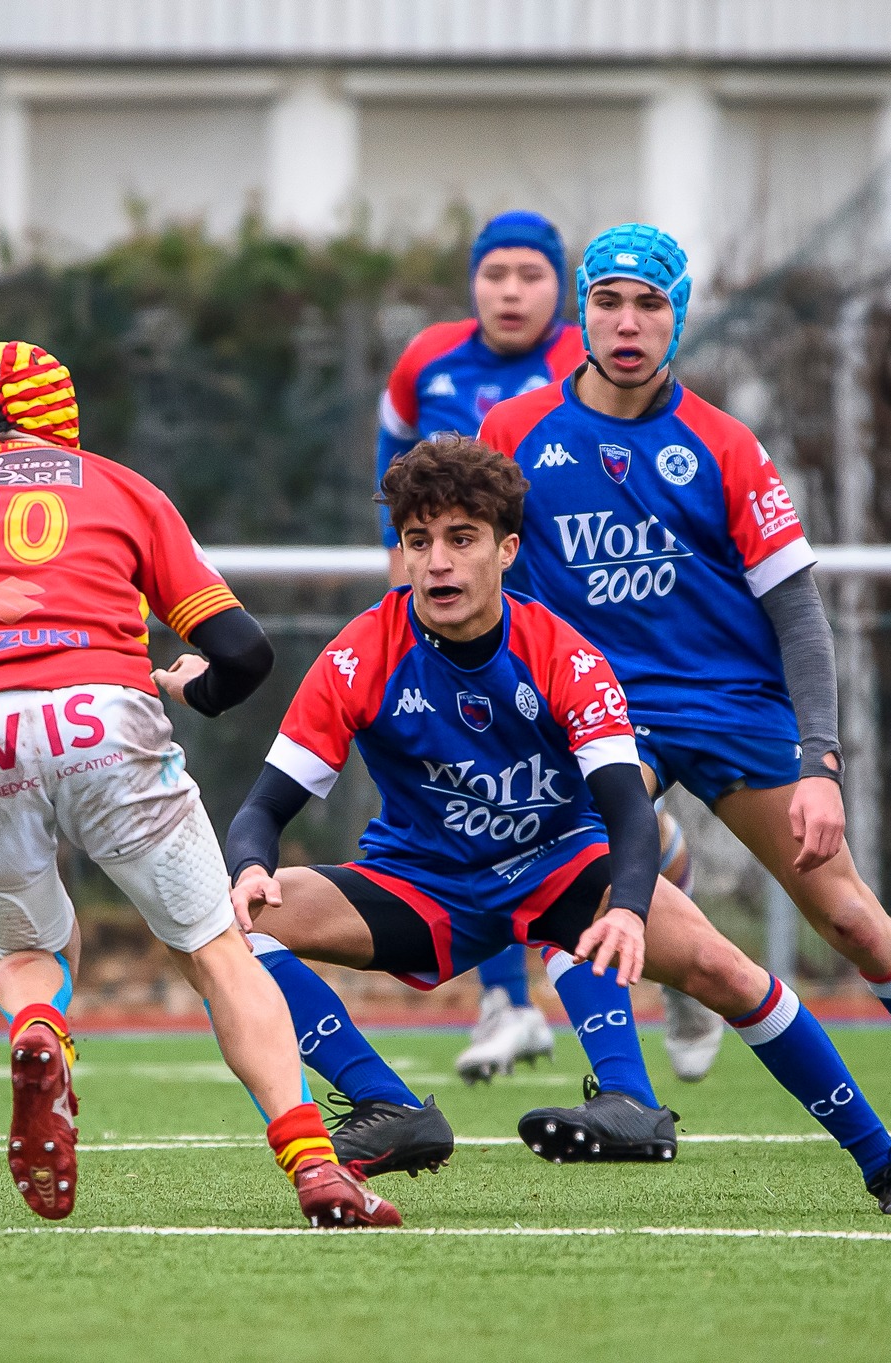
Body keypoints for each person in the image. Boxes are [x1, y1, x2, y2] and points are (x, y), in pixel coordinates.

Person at [477, 224, 891, 1161]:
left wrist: (821, 764)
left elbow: (800, 618)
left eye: (651, 304)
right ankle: (628, 1097)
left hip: (732, 706)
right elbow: (487, 583)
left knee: (849, 917)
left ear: (679, 317)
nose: (628, 323)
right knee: (586, 869)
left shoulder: (722, 445)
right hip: (604, 713)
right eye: (609, 301)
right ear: (583, 311)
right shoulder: (513, 435)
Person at [225, 437, 891, 1214]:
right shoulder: (361, 651)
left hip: (558, 865)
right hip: (421, 884)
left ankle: (889, 1166)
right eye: (418, 541)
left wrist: (631, 910)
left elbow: (628, 814)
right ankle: (390, 1106)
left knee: (728, 972)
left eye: (461, 539)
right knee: (224, 923)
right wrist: (251, 865)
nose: (436, 561)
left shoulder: (562, 654)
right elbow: (264, 808)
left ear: (507, 549)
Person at [0, 340, 399, 1228]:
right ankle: (318, 1168)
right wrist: (199, 691)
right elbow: (244, 650)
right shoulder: (120, 488)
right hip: (100, 715)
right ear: (64, 412)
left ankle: (37, 1030)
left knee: (33, 955)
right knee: (217, 953)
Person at [374, 209, 722, 1084]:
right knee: (483, 801)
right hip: (481, 637)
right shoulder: (426, 361)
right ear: (473, 283)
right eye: (496, 275)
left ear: (557, 289)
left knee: (587, 828)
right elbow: (398, 487)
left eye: (531, 275)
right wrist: (405, 592)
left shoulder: (599, 352)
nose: (511, 291)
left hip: (589, 645)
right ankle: (510, 1003)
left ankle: (676, 970)